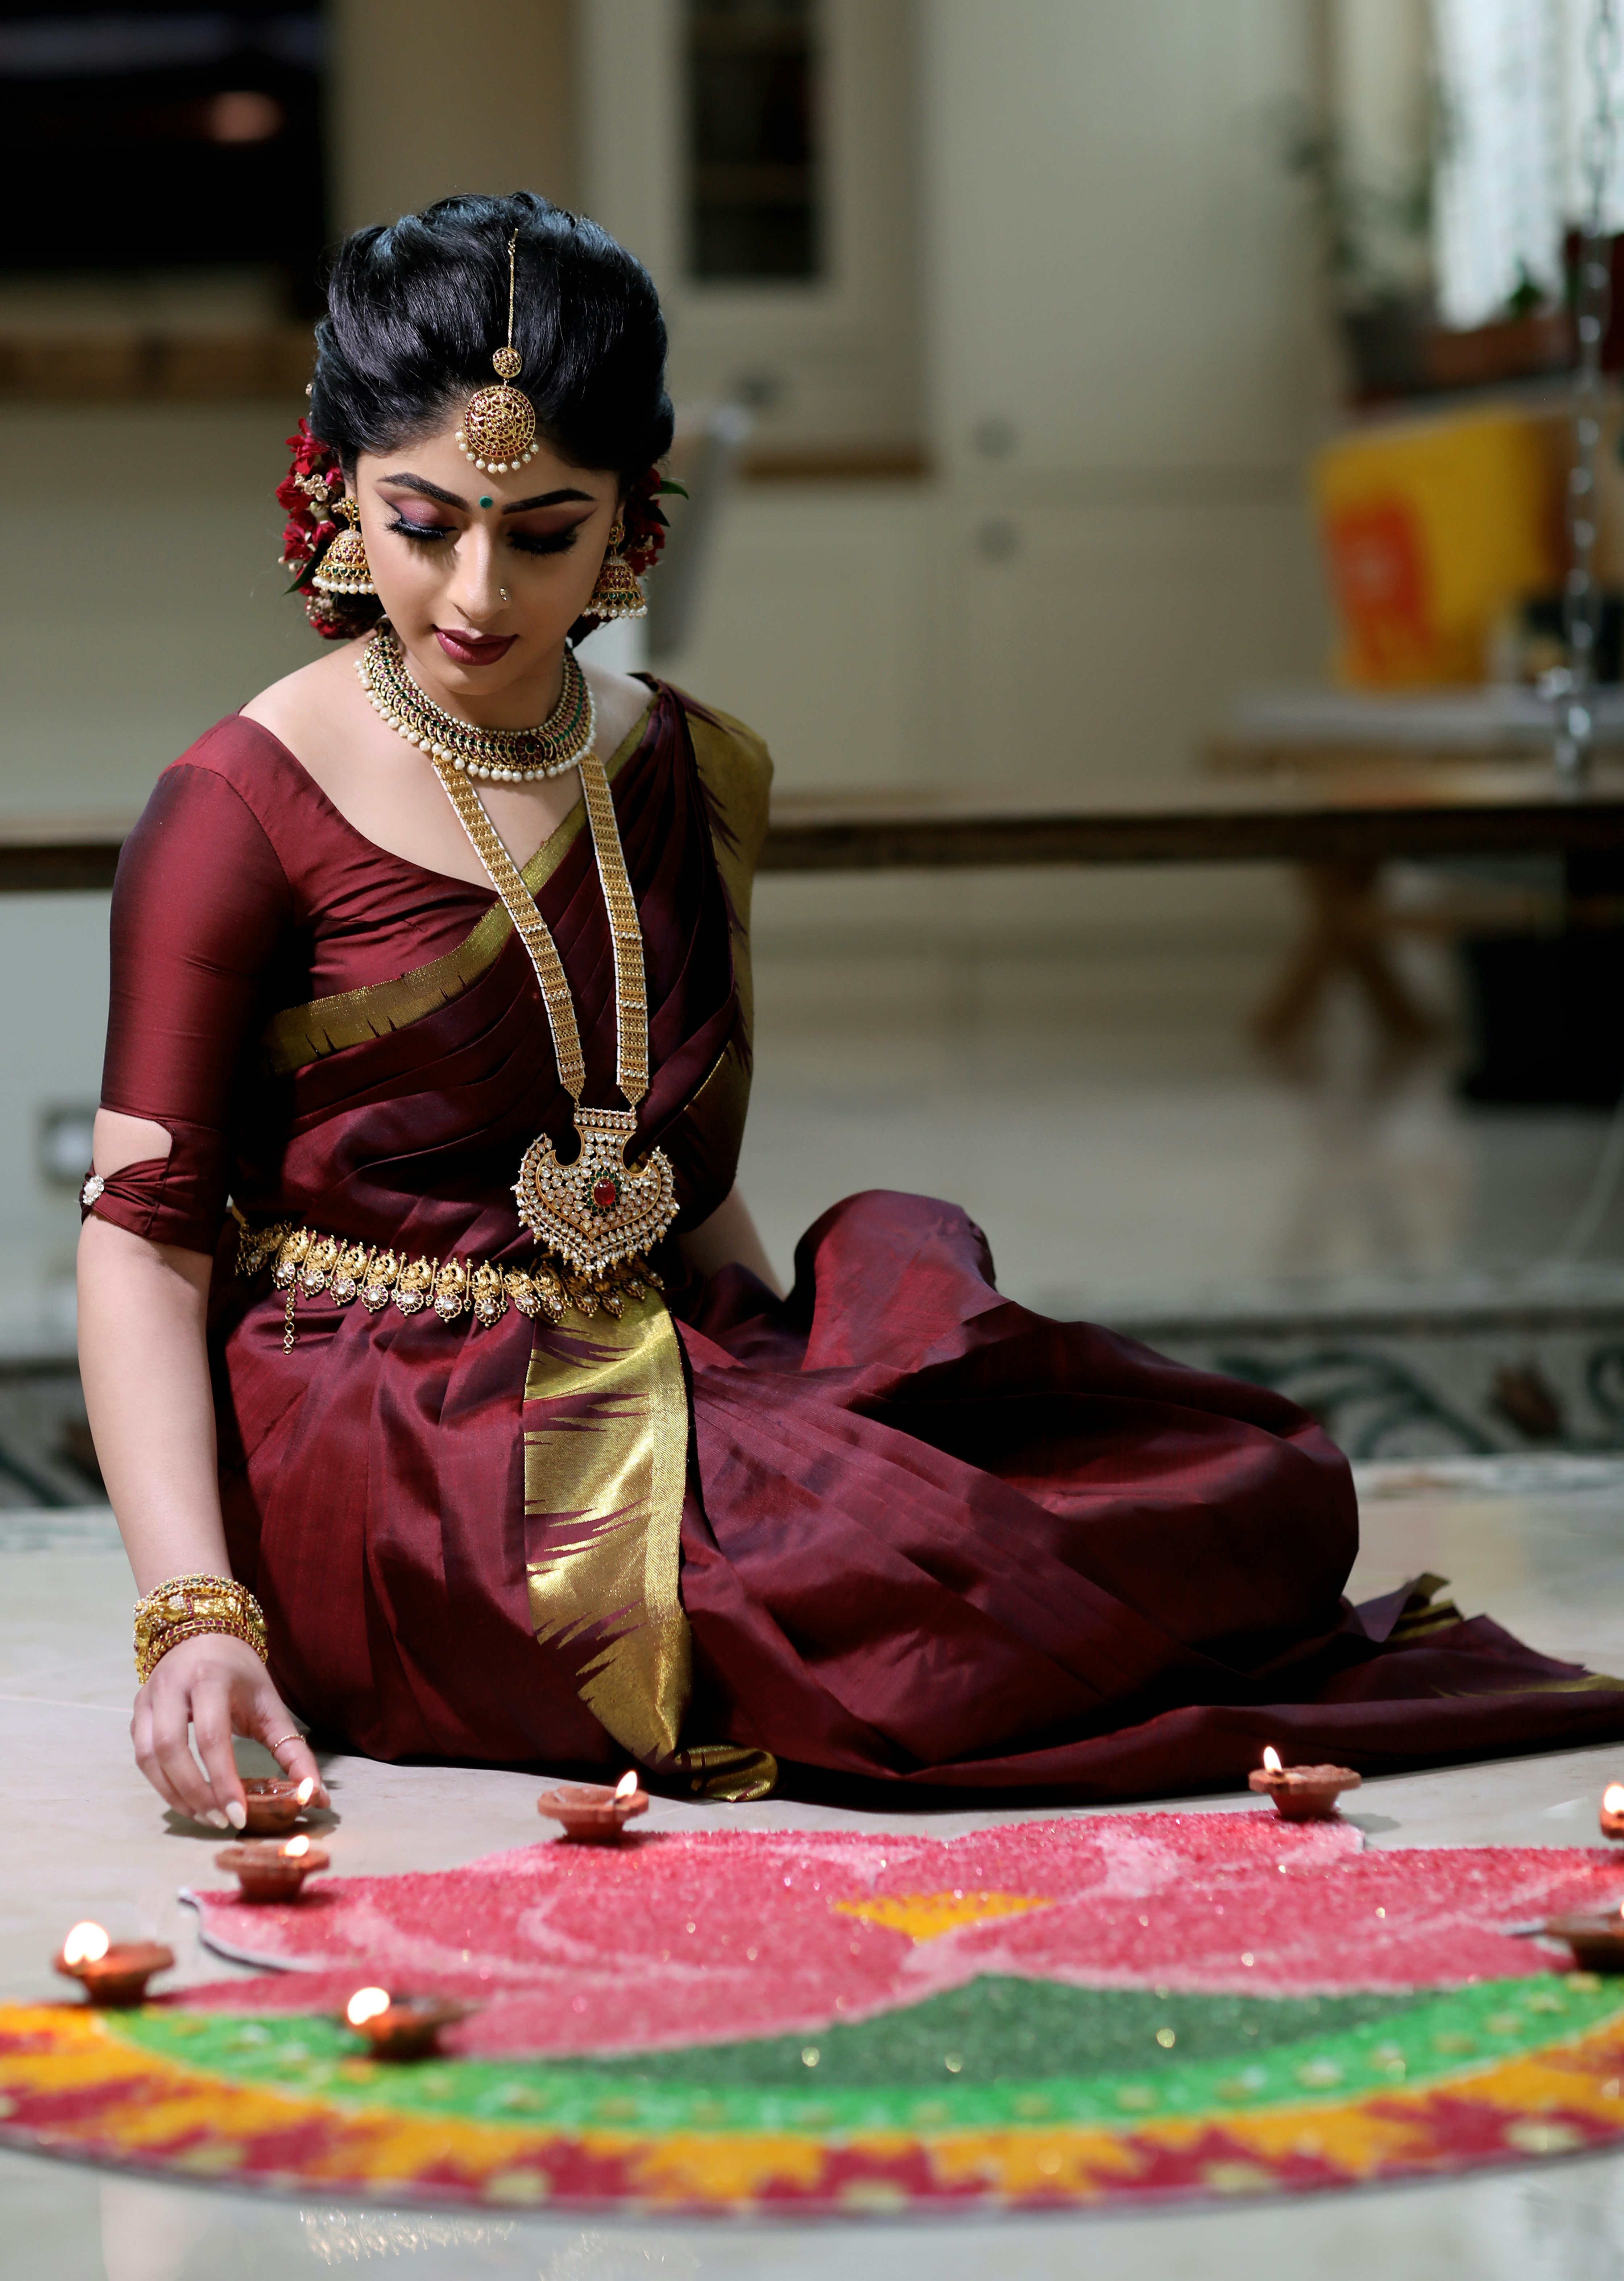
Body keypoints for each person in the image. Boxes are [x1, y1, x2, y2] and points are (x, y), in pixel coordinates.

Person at [80, 193, 1624, 1832]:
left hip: (655, 1349)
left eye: (543, 532)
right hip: (387, 1431)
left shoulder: (674, 759)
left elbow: (670, 1156)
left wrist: (808, 1408)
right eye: (423, 521)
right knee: (881, 1601)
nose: (477, 591)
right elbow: (143, 1236)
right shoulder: (243, 800)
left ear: (633, 526)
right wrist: (195, 1618)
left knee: (1204, 1477)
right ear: (333, 492)